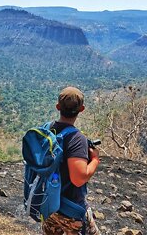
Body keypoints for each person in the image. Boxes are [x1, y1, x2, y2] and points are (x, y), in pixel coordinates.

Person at [42, 86, 101, 235]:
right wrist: (94, 159)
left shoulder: (48, 130)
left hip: (48, 203)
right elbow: (78, 179)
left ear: (58, 107)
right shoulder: (76, 139)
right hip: (70, 208)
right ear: (81, 109)